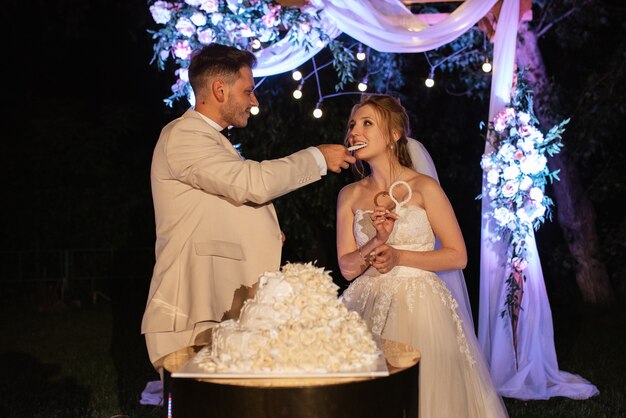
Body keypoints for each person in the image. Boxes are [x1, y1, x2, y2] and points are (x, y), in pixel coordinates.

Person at [141, 43, 355, 372]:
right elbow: (249, 184)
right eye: (248, 91)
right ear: (219, 89)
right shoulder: (184, 135)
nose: (254, 101)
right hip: (194, 304)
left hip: (216, 301)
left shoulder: (212, 140)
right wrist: (317, 158)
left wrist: (263, 230)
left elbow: (217, 204)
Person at [336, 94, 508, 417]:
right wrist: (377, 241)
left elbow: (457, 256)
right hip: (366, 303)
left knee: (426, 396)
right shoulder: (349, 195)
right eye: (352, 125)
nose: (354, 132)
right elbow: (346, 267)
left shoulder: (425, 187)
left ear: (394, 134)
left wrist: (399, 256)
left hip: (422, 306)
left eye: (366, 123)